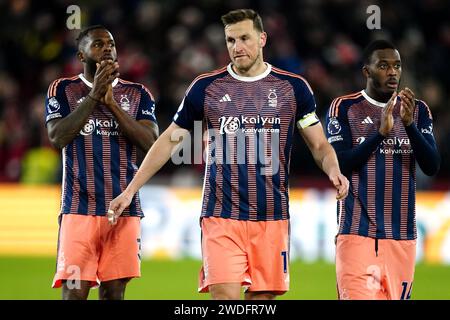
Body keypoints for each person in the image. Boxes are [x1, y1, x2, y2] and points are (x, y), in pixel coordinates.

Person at [109, 9, 348, 300]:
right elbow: (169, 141)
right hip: (221, 216)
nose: (237, 47)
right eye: (230, 40)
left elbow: (319, 145)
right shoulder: (206, 87)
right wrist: (131, 189)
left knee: (262, 301)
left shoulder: (293, 88)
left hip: (272, 218)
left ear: (262, 39)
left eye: (244, 38)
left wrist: (333, 169)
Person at [44, 25, 159, 300]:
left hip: (124, 210)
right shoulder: (63, 89)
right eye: (97, 44)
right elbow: (58, 137)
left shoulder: (138, 93)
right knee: (74, 294)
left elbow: (150, 142)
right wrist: (94, 95)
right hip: (78, 208)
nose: (107, 48)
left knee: (114, 294)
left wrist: (112, 105)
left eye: (111, 44)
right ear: (81, 56)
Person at [326, 40, 440, 300]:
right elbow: (341, 163)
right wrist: (379, 135)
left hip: (402, 239)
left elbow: (431, 166)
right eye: (384, 66)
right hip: (357, 234)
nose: (393, 72)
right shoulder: (345, 107)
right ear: (367, 71)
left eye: (397, 66)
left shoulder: (417, 110)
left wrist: (409, 126)